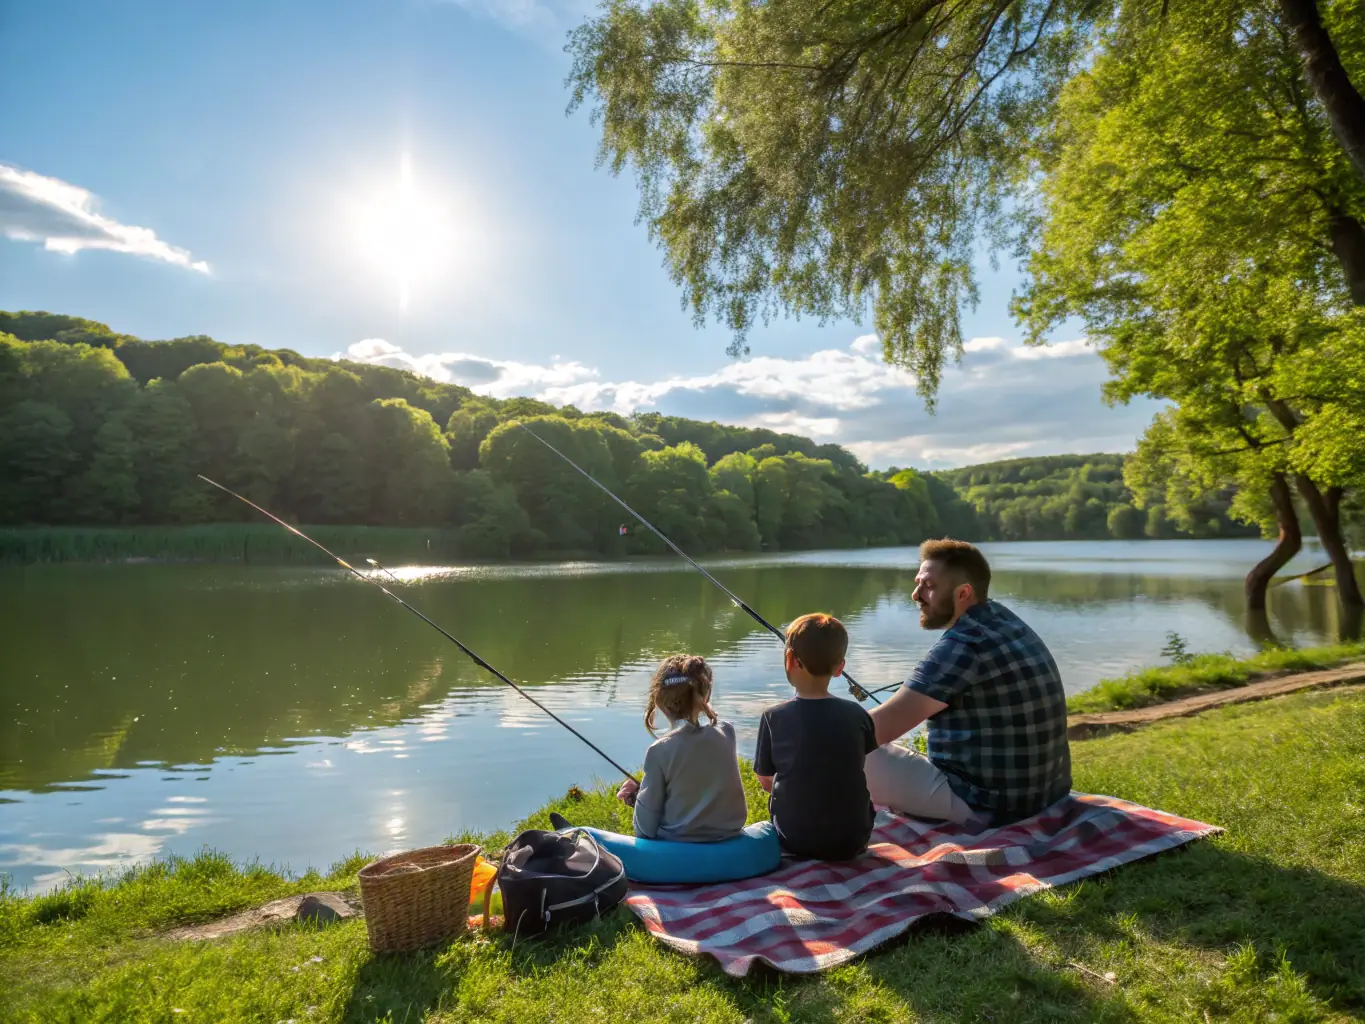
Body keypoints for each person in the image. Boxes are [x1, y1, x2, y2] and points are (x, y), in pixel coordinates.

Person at [866, 538, 1072, 826]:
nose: (916, 595)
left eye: (929, 586)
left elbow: (873, 730)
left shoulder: (963, 646)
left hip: (985, 806)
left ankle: (808, 826)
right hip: (1045, 796)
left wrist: (811, 726)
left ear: (963, 593)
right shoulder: (1004, 621)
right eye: (918, 583)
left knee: (835, 746)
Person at [555, 654, 748, 842]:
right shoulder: (726, 732)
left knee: (597, 839)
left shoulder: (660, 750)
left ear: (658, 701)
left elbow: (644, 830)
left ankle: (575, 839)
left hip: (680, 849)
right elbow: (697, 779)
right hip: (731, 841)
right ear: (704, 695)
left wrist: (640, 799)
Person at [754, 613, 877, 860]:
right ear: (840, 667)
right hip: (852, 840)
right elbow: (865, 765)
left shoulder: (773, 717)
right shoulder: (857, 714)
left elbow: (765, 780)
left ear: (790, 660)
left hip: (794, 840)